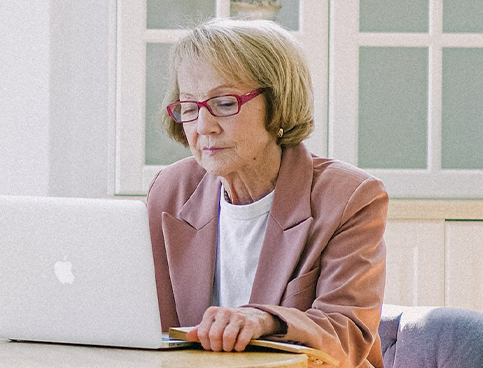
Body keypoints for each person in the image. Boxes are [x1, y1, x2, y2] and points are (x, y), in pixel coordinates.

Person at [146, 19, 388, 368]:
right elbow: (151, 324)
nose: (203, 126)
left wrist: (266, 320)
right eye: (189, 107)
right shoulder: (170, 190)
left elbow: (345, 332)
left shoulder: (350, 197)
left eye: (225, 103)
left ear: (277, 104)